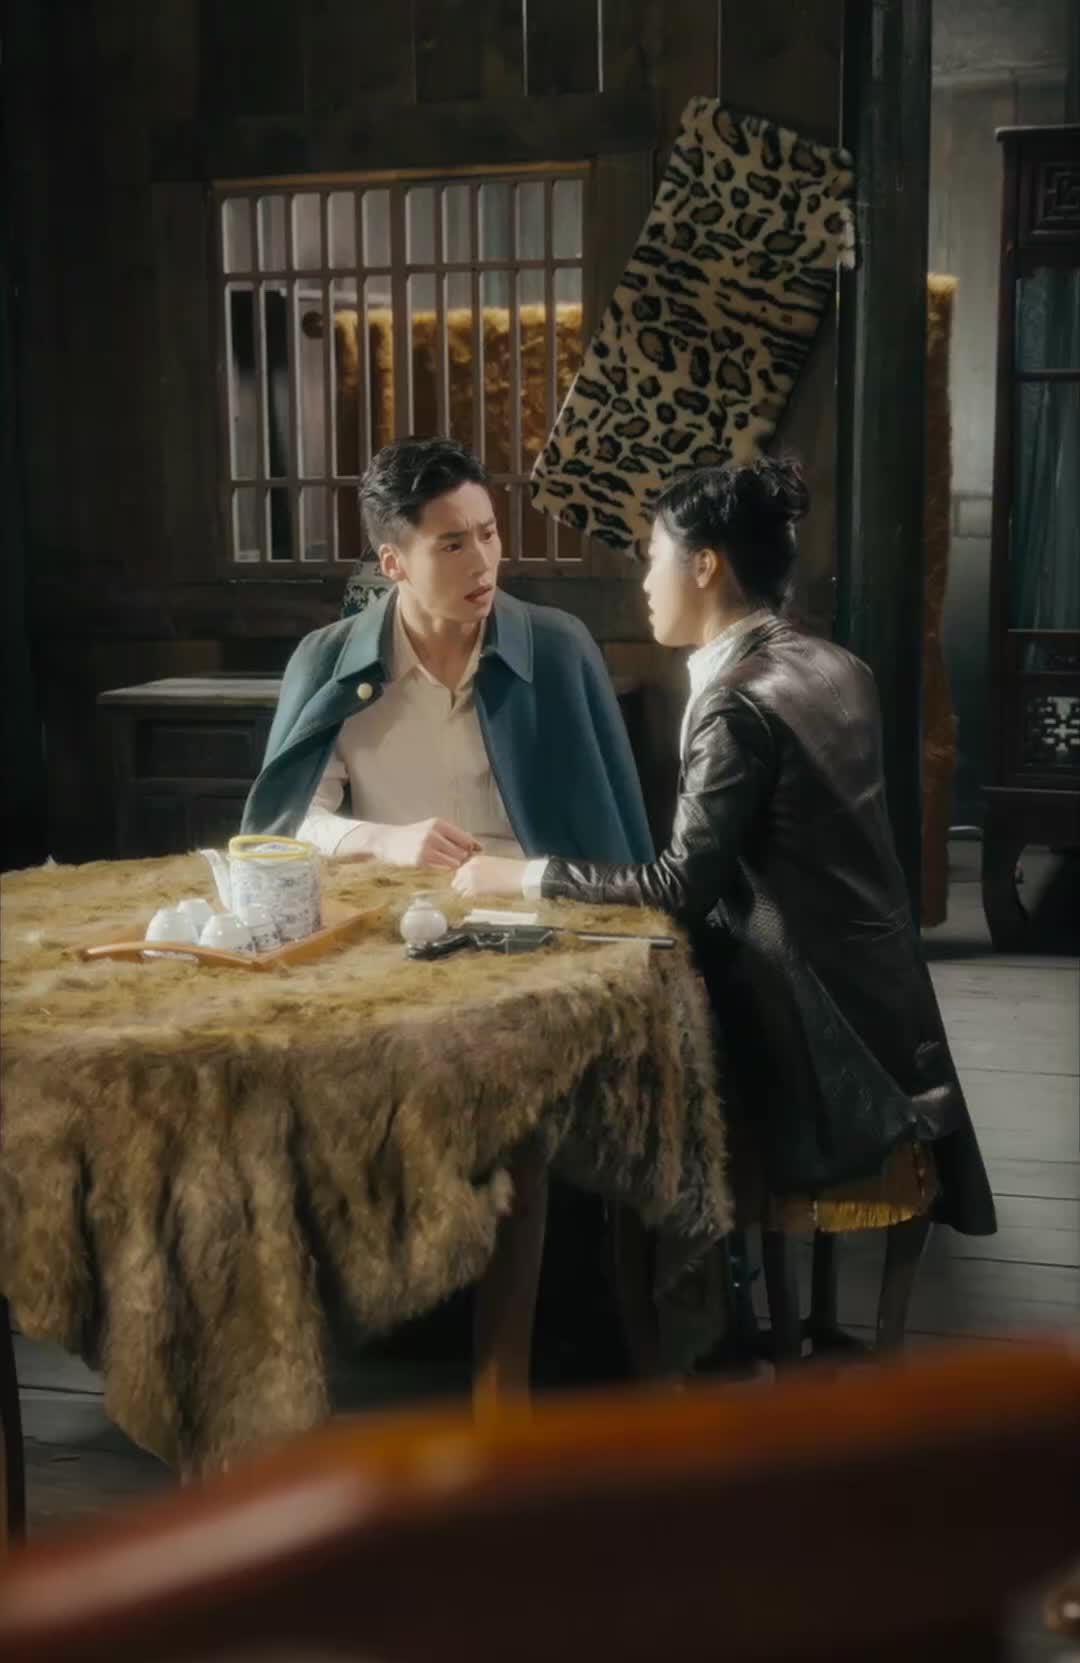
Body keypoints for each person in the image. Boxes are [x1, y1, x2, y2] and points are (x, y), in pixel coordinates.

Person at [454, 454, 996, 1235]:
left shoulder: (735, 703)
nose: (646, 584)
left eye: (654, 559)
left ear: (704, 566)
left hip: (809, 1025)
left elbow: (681, 889)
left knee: (592, 1066)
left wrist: (520, 876)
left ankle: (641, 1277)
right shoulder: (837, 664)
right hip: (882, 1007)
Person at [242, 437, 654, 867]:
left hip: (533, 898)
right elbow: (286, 824)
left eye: (488, 534)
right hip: (398, 898)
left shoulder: (558, 648)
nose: (482, 562)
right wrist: (381, 840)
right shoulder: (330, 660)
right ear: (393, 563)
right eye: (452, 546)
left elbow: (610, 832)